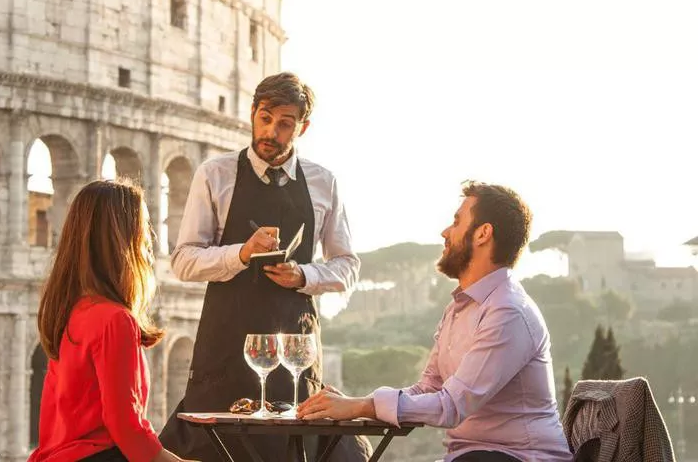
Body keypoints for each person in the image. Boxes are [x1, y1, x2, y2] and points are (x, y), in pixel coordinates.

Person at [159, 72, 361, 461]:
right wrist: (241, 254)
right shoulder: (214, 174)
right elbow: (183, 261)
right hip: (225, 349)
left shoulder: (324, 182)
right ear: (253, 113)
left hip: (295, 351)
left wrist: (305, 275)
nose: (271, 132)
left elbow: (348, 265)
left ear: (302, 127)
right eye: (265, 118)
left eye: (285, 124)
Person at [297, 181, 574, 462]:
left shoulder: (508, 312)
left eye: (456, 222)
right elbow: (427, 389)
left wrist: (361, 406)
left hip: (520, 457)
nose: (445, 232)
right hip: (469, 456)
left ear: (483, 233)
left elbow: (452, 405)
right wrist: (354, 403)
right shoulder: (459, 308)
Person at [29, 179, 197, 462]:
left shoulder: (71, 311)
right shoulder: (115, 320)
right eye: (143, 229)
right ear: (123, 240)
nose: (148, 240)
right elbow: (125, 425)